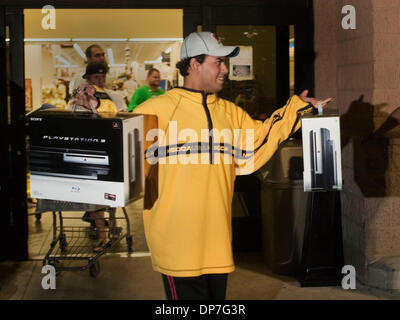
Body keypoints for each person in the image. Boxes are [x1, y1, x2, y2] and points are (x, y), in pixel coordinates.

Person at [131, 31, 333, 300]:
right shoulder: (154, 110)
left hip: (217, 243)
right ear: (194, 65)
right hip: (176, 243)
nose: (225, 69)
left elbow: (261, 138)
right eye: (219, 62)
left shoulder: (231, 113)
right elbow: (116, 136)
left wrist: (295, 109)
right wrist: (95, 106)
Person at [68, 63, 123, 252]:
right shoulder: (77, 98)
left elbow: (123, 116)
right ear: (88, 79)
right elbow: (70, 118)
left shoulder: (114, 97)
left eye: (102, 77)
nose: (99, 81)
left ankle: (113, 222)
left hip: (110, 150)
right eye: (95, 78)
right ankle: (102, 235)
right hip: (87, 152)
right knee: (91, 196)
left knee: (112, 192)